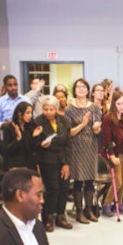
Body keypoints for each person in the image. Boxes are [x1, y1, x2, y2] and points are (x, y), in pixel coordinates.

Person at [33, 95, 72, 231]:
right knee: (52, 188)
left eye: (51, 109)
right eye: (45, 109)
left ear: (56, 109)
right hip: (46, 159)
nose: (48, 112)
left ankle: (60, 216)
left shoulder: (64, 121)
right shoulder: (37, 122)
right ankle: (47, 217)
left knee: (64, 187)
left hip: (63, 159)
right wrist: (42, 145)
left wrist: (66, 163)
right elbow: (33, 143)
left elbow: (68, 143)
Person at [66, 78, 102, 224]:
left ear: (88, 91)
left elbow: (97, 129)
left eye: (84, 87)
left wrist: (96, 128)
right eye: (78, 87)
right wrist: (82, 124)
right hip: (76, 148)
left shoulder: (94, 107)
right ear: (74, 90)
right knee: (78, 181)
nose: (81, 89)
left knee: (89, 180)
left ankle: (89, 210)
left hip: (90, 147)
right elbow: (69, 132)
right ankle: (79, 212)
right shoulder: (69, 109)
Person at [100, 90, 123, 216]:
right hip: (113, 153)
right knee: (118, 181)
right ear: (113, 105)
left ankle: (120, 203)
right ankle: (107, 203)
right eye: (118, 104)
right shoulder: (107, 119)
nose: (122, 106)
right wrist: (111, 156)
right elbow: (107, 140)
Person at [1, 101, 40, 169]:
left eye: (31, 113)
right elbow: (7, 149)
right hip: (15, 165)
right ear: (19, 113)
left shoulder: (30, 126)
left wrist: (35, 136)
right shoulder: (9, 127)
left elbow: (33, 148)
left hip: (29, 164)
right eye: (27, 113)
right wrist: (18, 139)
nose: (30, 116)